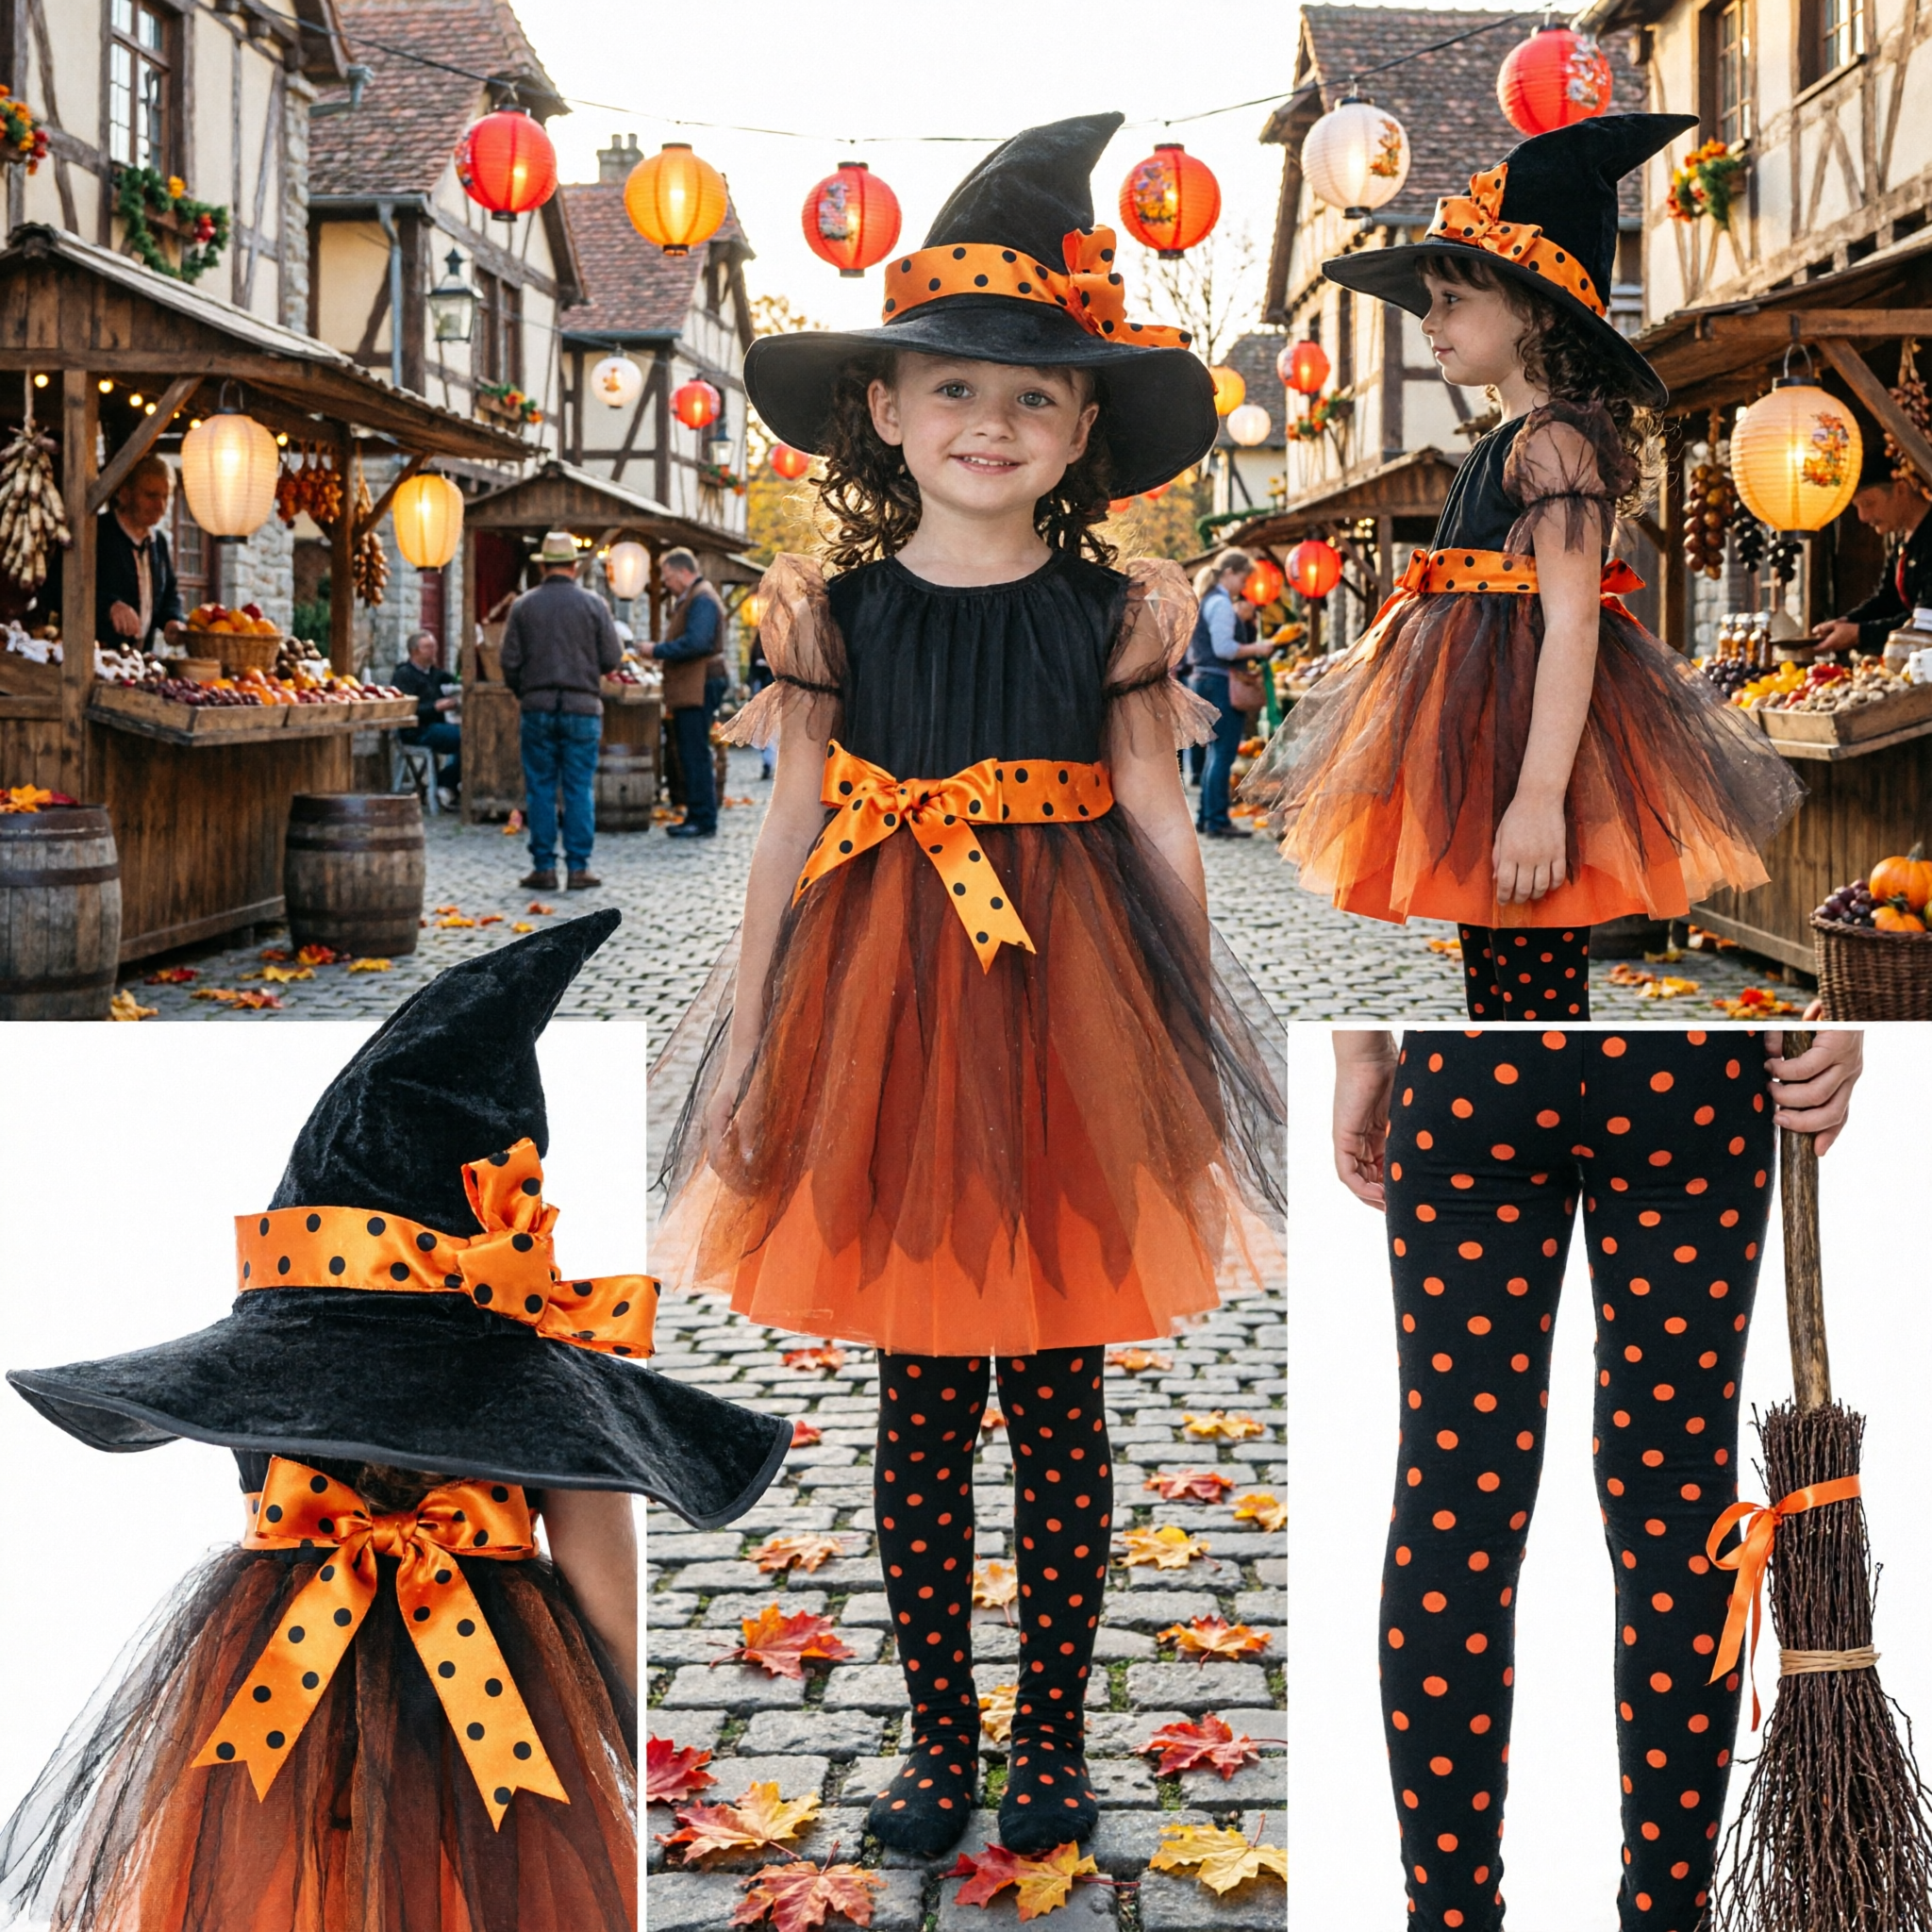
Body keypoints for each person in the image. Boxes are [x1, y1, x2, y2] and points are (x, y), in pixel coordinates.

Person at [648, 113, 1286, 1864]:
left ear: (1082, 431)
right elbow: (786, 825)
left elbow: (1157, 819)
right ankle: (940, 1731)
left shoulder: (1120, 613)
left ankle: (1056, 1739)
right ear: (883, 408)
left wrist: (1180, 1014)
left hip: (1069, 997)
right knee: (921, 1398)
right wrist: (761, 1005)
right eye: (951, 390)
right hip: (880, 1006)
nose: (986, 424)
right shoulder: (824, 607)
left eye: (1030, 399)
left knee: (1059, 1398)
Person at [0, 914, 791, 1932]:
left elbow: (272, 1499)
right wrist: (628, 1754)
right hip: (500, 1705)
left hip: (281, 1690)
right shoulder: (541, 1409)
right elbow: (610, 1615)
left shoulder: (268, 1383)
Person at [1241, 116, 1802, 1021]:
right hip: (1481, 743)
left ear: (1537, 308)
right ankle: (1511, 1123)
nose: (1429, 322)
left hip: (1528, 755)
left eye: (1452, 299)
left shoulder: (1559, 443)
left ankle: (1535, 1126)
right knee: (1498, 984)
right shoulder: (1508, 439)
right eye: (1429, 301)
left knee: (1533, 992)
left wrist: (1540, 798)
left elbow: (1577, 620)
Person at [1329, 1025, 1865, 1932]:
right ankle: (1668, 1918)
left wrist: (1358, 1056)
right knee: (1678, 1497)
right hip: (1687, 1078)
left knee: (1455, 1493)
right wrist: (1846, 1032)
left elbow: (1370, 1042)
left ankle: (1449, 1917)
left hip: (1472, 1080)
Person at [499, 530, 621, 892]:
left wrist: (527, 691)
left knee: (540, 788)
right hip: (582, 707)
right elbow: (612, 658)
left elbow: (509, 662)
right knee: (578, 787)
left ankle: (544, 868)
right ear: (573, 565)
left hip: (537, 707)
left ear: (543, 568)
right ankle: (579, 868)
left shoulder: (524, 606)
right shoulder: (595, 604)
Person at [1810, 450, 1932, 653]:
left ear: (1900, 489)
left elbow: (1927, 618)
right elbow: (1888, 600)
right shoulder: (1903, 540)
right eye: (1857, 507)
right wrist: (1845, 622)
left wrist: (1859, 633)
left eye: (1868, 503)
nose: (1863, 517)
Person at [1186, 554, 1273, 834]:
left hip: (1205, 680)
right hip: (1220, 682)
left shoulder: (1207, 600)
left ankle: (1206, 816)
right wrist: (1258, 649)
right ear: (1230, 573)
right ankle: (1217, 819)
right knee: (1223, 753)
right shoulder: (1221, 603)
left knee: (1214, 752)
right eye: (1243, 578)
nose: (1244, 585)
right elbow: (1224, 648)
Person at [649, 548, 729, 839]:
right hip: (695, 685)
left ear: (684, 572)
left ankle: (702, 818)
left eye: (668, 577)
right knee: (692, 751)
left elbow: (696, 642)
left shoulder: (702, 599)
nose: (667, 583)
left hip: (700, 685)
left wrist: (657, 650)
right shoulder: (698, 597)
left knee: (694, 752)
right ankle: (698, 815)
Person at [95, 455, 185, 651]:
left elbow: (169, 592)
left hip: (140, 660)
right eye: (151, 495)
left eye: (165, 496)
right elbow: (61, 588)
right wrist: (109, 606)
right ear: (125, 494)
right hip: (96, 658)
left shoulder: (158, 542)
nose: (160, 506)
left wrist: (172, 620)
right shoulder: (97, 534)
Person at [394, 627, 461, 808]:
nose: (434, 651)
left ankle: (443, 784)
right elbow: (405, 709)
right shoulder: (403, 675)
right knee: (466, 738)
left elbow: (457, 682)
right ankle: (444, 785)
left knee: (473, 737)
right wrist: (435, 707)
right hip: (416, 731)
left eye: (434, 646)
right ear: (415, 651)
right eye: (428, 647)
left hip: (437, 727)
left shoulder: (436, 674)